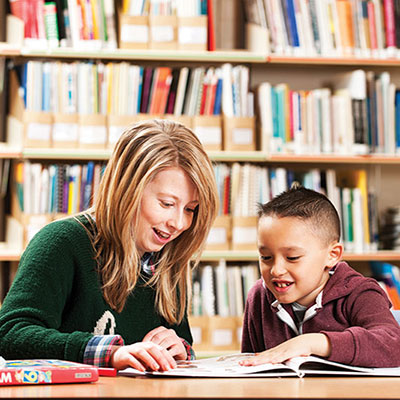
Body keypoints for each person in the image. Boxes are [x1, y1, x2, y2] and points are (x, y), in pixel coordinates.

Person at [0, 119, 219, 372]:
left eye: (190, 209)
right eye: (167, 204)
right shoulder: (62, 242)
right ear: (128, 190)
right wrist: (110, 354)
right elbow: (9, 335)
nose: (179, 223)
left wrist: (180, 349)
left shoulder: (167, 258)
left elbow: (180, 347)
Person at [240, 185, 400, 368]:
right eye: (266, 257)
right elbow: (251, 363)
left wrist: (313, 343)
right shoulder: (259, 296)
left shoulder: (361, 293)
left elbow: (394, 346)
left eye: (292, 258)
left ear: (332, 255)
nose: (276, 270)